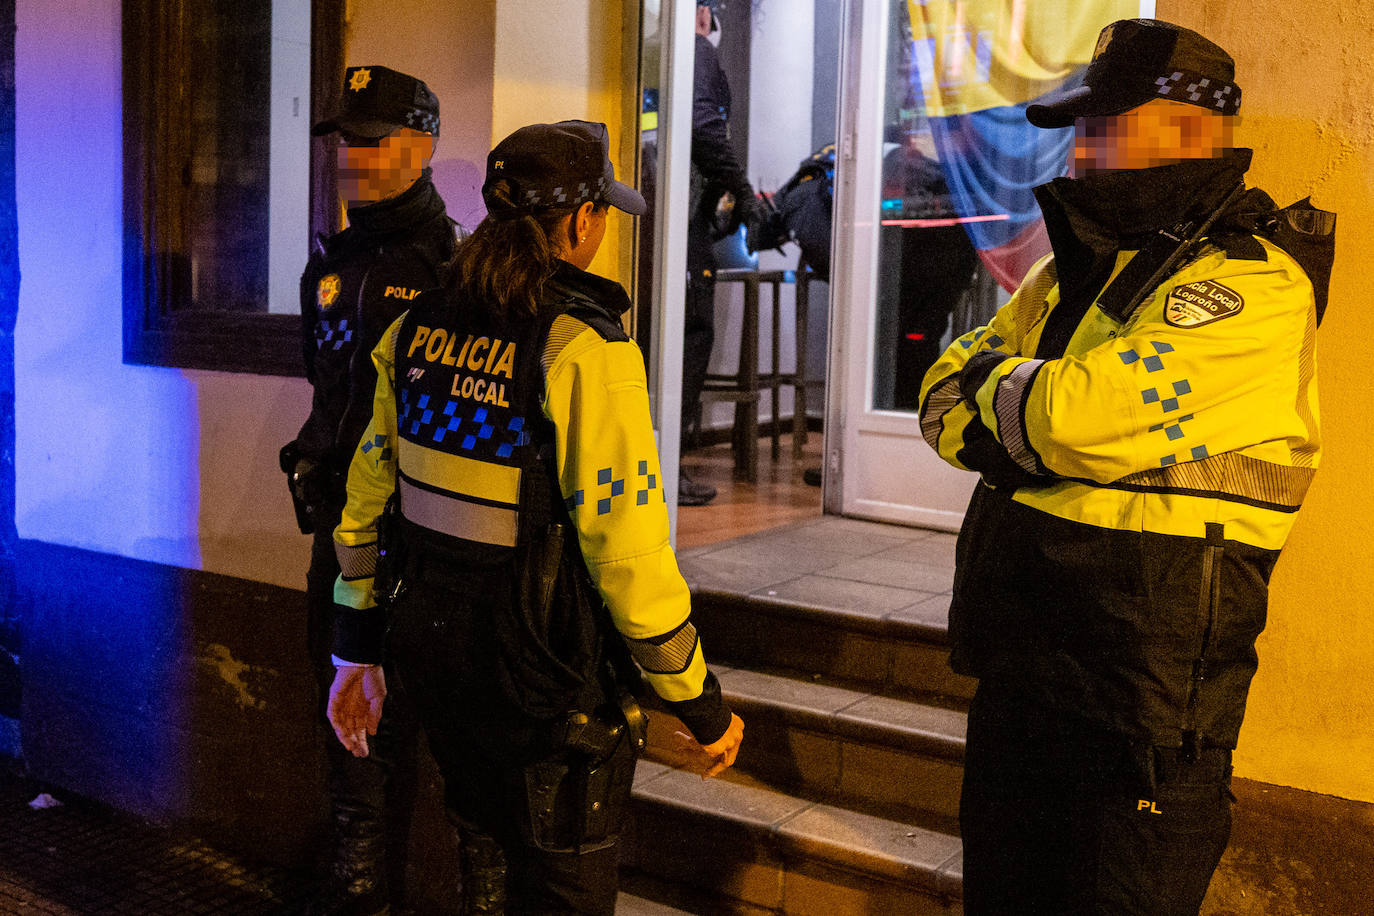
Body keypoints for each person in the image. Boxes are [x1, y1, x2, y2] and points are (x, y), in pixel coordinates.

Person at [917, 20, 1331, 915]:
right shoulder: (1069, 275)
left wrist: (1017, 400)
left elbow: (1076, 417)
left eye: (1105, 122)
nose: (1084, 145)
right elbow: (940, 401)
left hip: (1140, 717)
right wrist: (1025, 405)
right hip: (1024, 686)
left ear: (1186, 125)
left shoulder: (1255, 283)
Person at [325, 120, 745, 915]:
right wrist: (696, 700)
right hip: (547, 687)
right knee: (560, 892)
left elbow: (364, 505)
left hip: (439, 665)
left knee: (484, 867)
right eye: (603, 216)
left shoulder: (418, 326)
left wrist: (355, 650)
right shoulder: (580, 346)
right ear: (583, 220)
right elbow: (626, 555)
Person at [279, 64, 460, 916]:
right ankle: (357, 894)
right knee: (347, 730)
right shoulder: (333, 265)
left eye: (371, 141)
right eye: (344, 142)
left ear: (422, 149)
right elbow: (324, 381)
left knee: (396, 739)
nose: (351, 159)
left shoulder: (446, 271)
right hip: (339, 536)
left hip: (411, 545)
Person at [680, 0, 760, 505]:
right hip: (679, 231)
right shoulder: (695, 51)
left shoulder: (652, 58)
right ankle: (668, 466)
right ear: (704, 15)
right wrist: (743, 190)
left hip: (655, 221)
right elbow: (705, 131)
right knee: (690, 336)